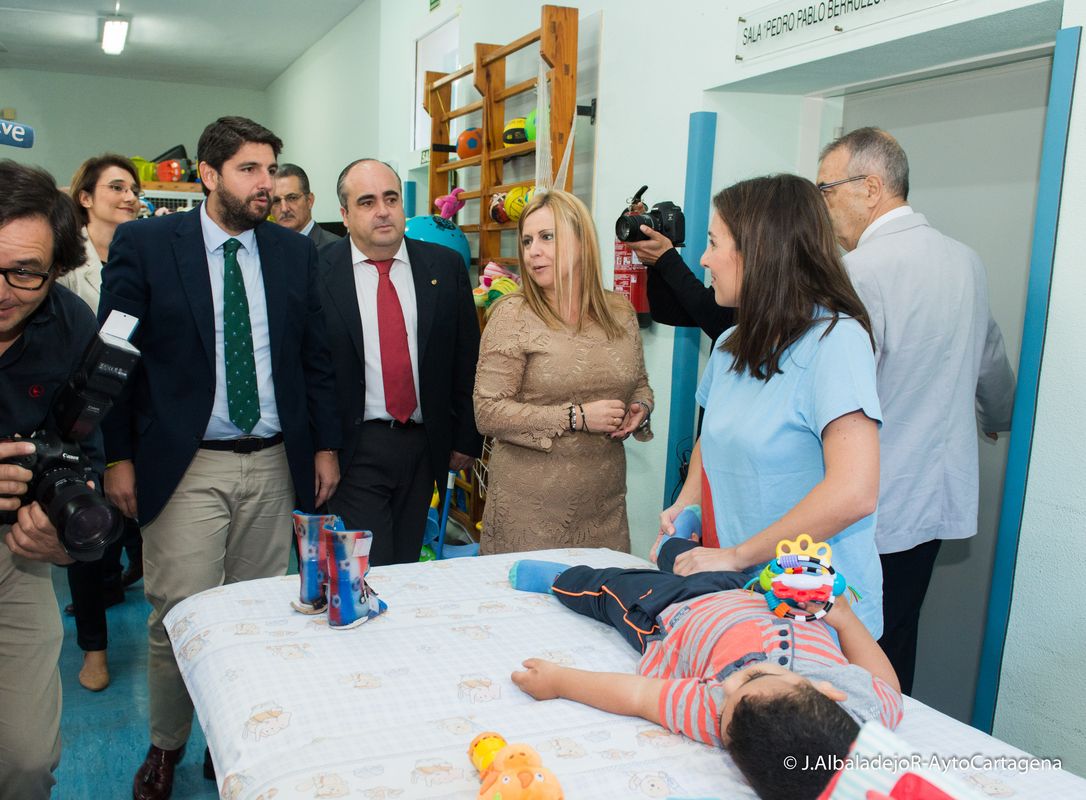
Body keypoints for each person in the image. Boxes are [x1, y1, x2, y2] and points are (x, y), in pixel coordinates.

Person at [98, 116, 342, 800]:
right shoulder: (146, 245)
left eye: (271, 169)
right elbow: (114, 361)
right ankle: (165, 747)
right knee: (181, 614)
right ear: (208, 175)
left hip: (272, 461)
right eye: (249, 170)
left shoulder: (293, 254)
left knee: (256, 611)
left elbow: (313, 359)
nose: (266, 185)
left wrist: (323, 445)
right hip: (186, 464)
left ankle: (230, 734)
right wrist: (117, 458)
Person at [815, 127, 1015, 693]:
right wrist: (996, 416)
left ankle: (845, 764)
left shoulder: (857, 273)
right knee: (898, 640)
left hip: (865, 507)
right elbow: (990, 356)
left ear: (871, 187)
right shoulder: (965, 261)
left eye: (827, 190)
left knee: (847, 650)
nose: (823, 208)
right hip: (932, 500)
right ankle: (893, 758)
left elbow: (830, 389)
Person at [653, 174, 885, 639]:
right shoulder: (731, 344)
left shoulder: (835, 343)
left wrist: (738, 555)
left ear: (760, 252)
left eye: (714, 242)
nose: (702, 259)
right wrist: (685, 504)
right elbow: (712, 434)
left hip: (816, 605)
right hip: (743, 595)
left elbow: (854, 492)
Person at [508, 558, 903, 800]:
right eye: (752, 676)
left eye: (727, 697)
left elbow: (638, 694)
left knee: (613, 587)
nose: (728, 685)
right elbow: (889, 687)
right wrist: (846, 618)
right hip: (756, 591)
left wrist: (560, 681)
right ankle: (678, 538)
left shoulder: (717, 712)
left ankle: (563, 578)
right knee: (694, 560)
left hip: (676, 610)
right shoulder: (863, 707)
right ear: (826, 692)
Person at [318, 159, 481, 566]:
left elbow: (466, 356)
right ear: (345, 214)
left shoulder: (444, 267)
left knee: (409, 563)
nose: (382, 211)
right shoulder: (318, 270)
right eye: (367, 201)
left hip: (426, 444)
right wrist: (322, 447)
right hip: (356, 446)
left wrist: (466, 437)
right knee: (371, 565)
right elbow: (311, 369)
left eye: (390, 198)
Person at [473, 190, 653, 554]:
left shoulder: (619, 311)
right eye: (526, 240)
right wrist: (577, 417)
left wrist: (640, 408)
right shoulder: (513, 316)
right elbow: (487, 413)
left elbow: (639, 384)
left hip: (604, 511)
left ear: (582, 241)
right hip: (529, 517)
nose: (532, 251)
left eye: (546, 237)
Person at [0, 160, 98, 799]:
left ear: (57, 269)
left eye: (25, 272)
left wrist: (64, 533)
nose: (2, 289)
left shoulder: (69, 324)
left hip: (15, 558)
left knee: (28, 761)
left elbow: (80, 450)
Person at [59, 153, 145, 692]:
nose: (130, 195)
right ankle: (94, 650)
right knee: (87, 540)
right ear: (86, 197)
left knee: (143, 527)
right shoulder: (67, 268)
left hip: (139, 418)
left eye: (134, 188)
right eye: (116, 186)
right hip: (82, 424)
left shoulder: (145, 258)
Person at [271, 163, 341, 248]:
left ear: (309, 201)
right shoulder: (266, 248)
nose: (284, 209)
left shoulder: (335, 248)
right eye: (276, 201)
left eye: (292, 198)